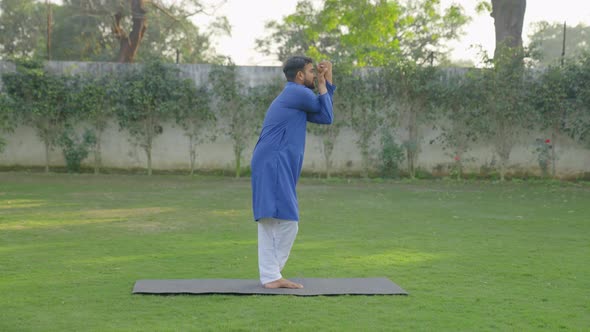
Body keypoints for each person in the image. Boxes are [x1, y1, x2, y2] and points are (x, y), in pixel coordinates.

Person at [250, 56, 335, 289]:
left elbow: (325, 116)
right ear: (299, 76)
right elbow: (325, 108)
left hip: (271, 161)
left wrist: (326, 81)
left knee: (271, 221)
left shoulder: (297, 97)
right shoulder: (298, 93)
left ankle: (270, 276)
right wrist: (323, 84)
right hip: (274, 162)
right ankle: (272, 274)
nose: (313, 75)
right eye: (310, 72)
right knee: (288, 222)